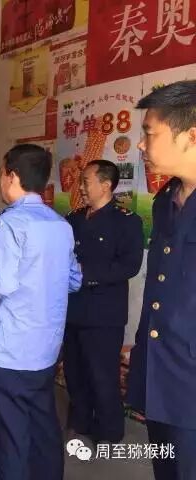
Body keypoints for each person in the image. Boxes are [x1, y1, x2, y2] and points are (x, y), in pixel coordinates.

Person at [0, 144, 82, 480]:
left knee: (8, 435)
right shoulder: (60, 224)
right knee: (42, 425)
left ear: (13, 176)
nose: (0, 181)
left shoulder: (10, 223)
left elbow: (1, 285)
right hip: (46, 347)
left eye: (1, 174)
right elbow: (75, 280)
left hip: (11, 349)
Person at [128, 80, 196, 480]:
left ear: (191, 136)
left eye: (150, 133)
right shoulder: (165, 201)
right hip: (160, 374)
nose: (140, 144)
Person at [64, 159, 144, 444]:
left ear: (106, 185)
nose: (81, 187)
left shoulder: (126, 221)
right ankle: (81, 422)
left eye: (86, 182)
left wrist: (86, 274)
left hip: (103, 313)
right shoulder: (74, 219)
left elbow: (130, 265)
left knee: (102, 375)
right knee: (74, 372)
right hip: (72, 309)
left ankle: (109, 431)